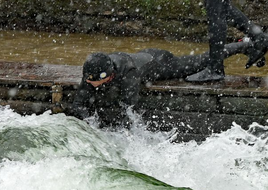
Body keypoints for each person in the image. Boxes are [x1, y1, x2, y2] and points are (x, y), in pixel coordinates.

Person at [70, 43, 251, 127]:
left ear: (106, 76)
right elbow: (78, 103)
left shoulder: (128, 74)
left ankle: (243, 46)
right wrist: (90, 124)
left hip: (162, 63)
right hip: (142, 54)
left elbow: (129, 109)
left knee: (201, 60)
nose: (86, 82)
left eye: (91, 80)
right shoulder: (93, 72)